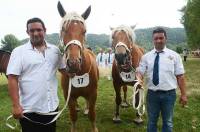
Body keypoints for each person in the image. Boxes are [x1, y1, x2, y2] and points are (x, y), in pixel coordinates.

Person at [7, 17, 66, 132]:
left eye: (39, 30)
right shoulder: (19, 52)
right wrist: (15, 105)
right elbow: (12, 78)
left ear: (44, 30)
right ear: (27, 32)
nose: (35, 33)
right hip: (30, 110)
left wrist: (75, 67)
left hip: (51, 107)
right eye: (32, 30)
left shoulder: (55, 50)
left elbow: (65, 71)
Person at [136, 27, 188, 132]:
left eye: (161, 38)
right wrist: (139, 79)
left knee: (168, 122)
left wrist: (183, 94)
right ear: (153, 40)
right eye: (156, 38)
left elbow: (180, 76)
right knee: (151, 122)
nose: (159, 40)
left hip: (169, 95)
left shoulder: (175, 56)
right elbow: (140, 72)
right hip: (152, 95)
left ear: (166, 39)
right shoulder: (146, 57)